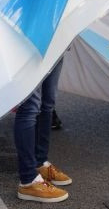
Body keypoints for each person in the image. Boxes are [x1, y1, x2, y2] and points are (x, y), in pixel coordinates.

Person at [15, 60, 71, 203]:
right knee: (29, 107)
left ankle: (40, 163)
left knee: (48, 103)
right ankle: (28, 181)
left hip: (56, 41)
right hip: (29, 42)